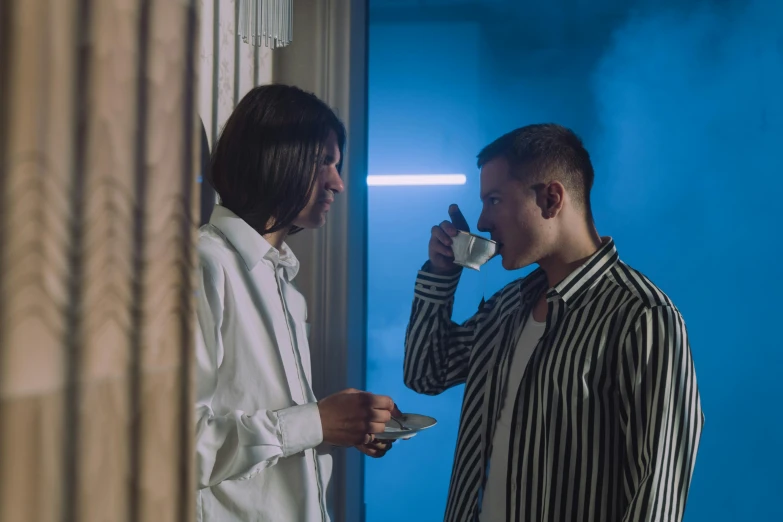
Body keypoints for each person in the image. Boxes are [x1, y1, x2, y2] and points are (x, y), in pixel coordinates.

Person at [404, 124, 704, 522]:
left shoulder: (641, 317)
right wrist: (441, 273)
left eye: (494, 200)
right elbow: (426, 372)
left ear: (551, 198)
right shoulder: (508, 306)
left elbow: (656, 495)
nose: (482, 220)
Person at [195, 84, 398, 522]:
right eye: (324, 161)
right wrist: (315, 423)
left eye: (337, 165)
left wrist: (336, 423)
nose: (339, 183)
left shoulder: (286, 288)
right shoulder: (203, 265)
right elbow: (178, 449)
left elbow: (270, 434)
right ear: (275, 154)